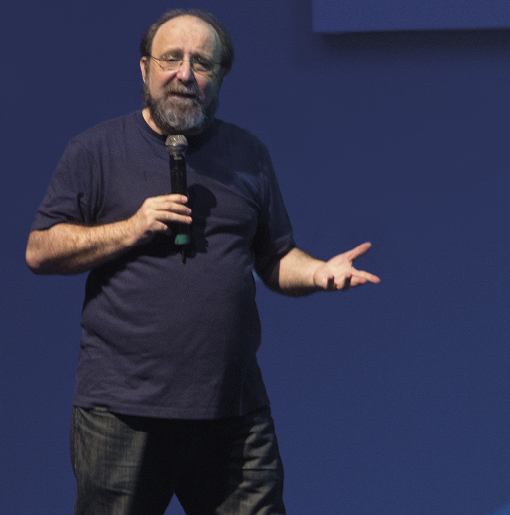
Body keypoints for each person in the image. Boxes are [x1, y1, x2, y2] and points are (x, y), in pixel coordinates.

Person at [26, 8, 380, 515]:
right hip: (123, 413)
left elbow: (277, 259)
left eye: (202, 63)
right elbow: (40, 250)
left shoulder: (248, 155)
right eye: (171, 58)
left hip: (232, 413)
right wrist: (132, 227)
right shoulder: (96, 150)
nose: (185, 74)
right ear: (145, 68)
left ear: (219, 77)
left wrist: (319, 273)